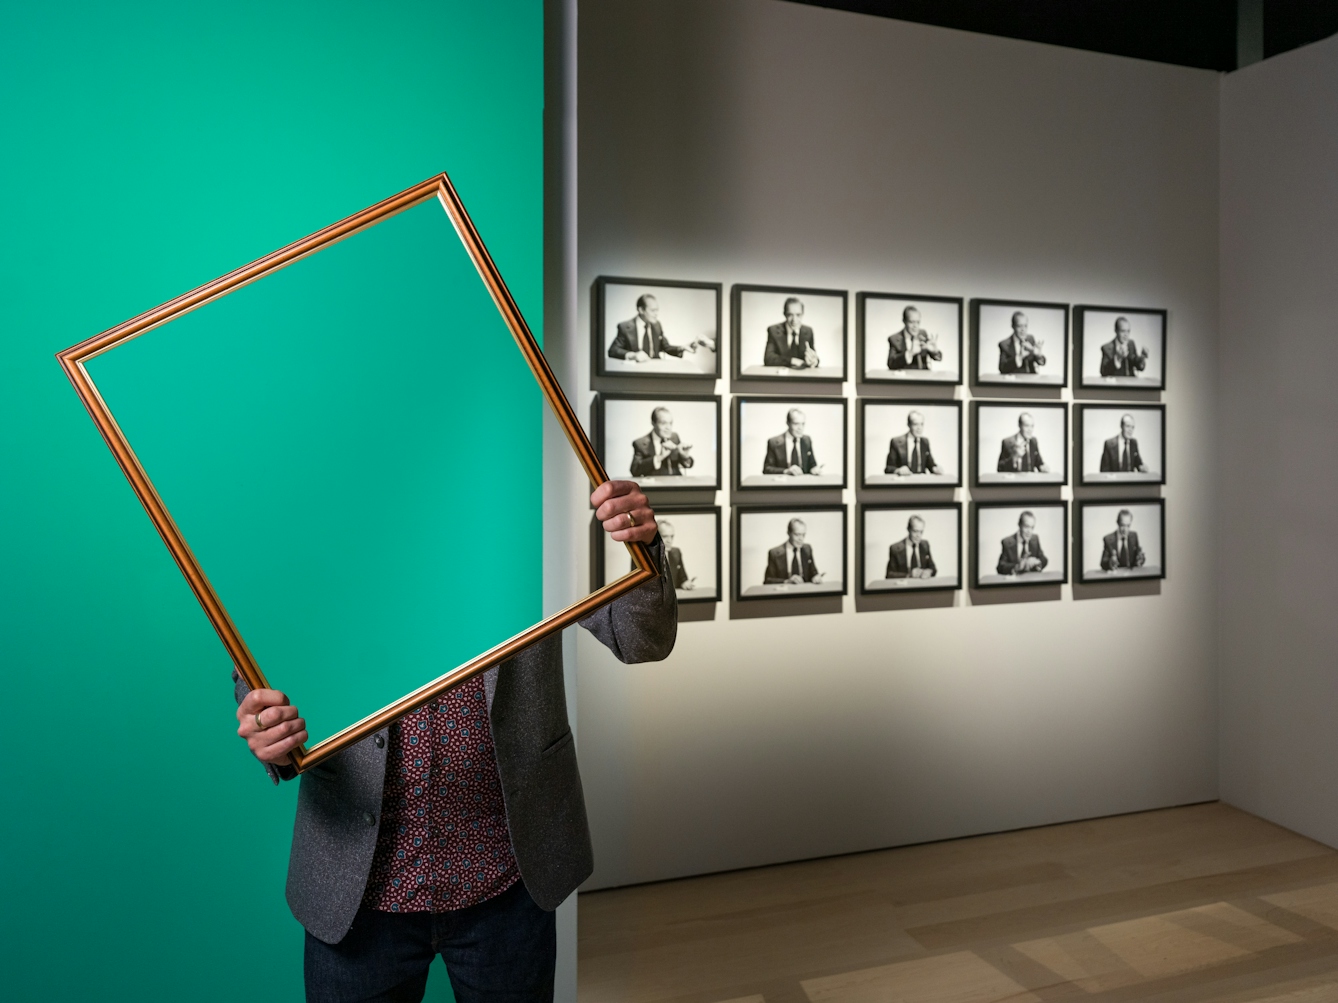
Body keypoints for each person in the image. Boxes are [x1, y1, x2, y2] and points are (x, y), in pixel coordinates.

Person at [234, 480, 675, 1003]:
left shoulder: (527, 498)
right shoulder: (318, 513)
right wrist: (268, 726)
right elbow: (266, 648)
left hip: (509, 881)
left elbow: (642, 640)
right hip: (356, 890)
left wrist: (641, 547)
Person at [607, 294, 707, 362]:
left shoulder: (657, 325)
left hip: (655, 369)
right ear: (641, 310)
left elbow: (666, 347)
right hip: (635, 372)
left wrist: (682, 348)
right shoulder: (625, 327)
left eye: (657, 310)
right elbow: (613, 350)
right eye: (653, 310)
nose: (656, 314)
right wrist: (633, 355)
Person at [630, 407, 694, 477]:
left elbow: (687, 465)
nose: (668, 427)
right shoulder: (640, 443)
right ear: (653, 423)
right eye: (664, 423)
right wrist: (659, 457)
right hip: (654, 486)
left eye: (670, 423)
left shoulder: (674, 437)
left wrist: (685, 457)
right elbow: (634, 470)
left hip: (675, 485)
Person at [763, 408, 824, 476]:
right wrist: (786, 471)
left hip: (803, 483)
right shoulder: (773, 442)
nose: (800, 428)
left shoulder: (807, 440)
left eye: (803, 424)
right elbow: (766, 469)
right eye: (796, 424)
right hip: (783, 484)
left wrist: (814, 469)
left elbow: (812, 464)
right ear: (788, 423)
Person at [764, 297, 820, 369]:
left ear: (803, 314)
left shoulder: (808, 331)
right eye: (790, 315)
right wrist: (792, 360)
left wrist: (814, 361)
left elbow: (813, 354)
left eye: (798, 315)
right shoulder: (773, 330)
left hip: (801, 376)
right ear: (784, 314)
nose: (794, 319)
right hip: (781, 377)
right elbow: (768, 358)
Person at [764, 517, 824, 584]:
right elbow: (768, 580)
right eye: (797, 534)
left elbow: (813, 572)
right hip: (785, 592)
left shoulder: (807, 549)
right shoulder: (774, 553)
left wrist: (816, 577)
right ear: (788, 533)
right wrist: (787, 581)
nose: (801, 539)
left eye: (803, 535)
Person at [885, 409, 942, 476]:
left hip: (922, 482)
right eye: (915, 424)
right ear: (909, 425)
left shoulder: (925, 442)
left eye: (921, 424)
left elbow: (930, 464)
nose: (919, 428)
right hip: (904, 482)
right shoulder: (896, 442)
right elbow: (888, 468)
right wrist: (898, 470)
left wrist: (935, 468)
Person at [886, 306, 942, 370]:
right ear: (904, 321)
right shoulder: (894, 339)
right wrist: (910, 353)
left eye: (918, 322)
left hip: (923, 378)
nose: (915, 326)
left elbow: (938, 358)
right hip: (905, 378)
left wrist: (935, 352)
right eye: (912, 322)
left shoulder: (923, 334)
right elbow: (890, 363)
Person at [997, 510, 1048, 575]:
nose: (1029, 531)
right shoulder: (1007, 542)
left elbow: (1044, 559)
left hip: (1032, 581)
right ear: (1019, 525)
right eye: (1026, 527)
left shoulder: (1035, 539)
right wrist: (1017, 567)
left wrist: (1037, 562)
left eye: (1032, 527)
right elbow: (1000, 567)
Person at [659, 519, 694, 591]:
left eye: (672, 536)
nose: (669, 541)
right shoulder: (642, 556)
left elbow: (682, 579)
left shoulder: (676, 553)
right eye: (665, 536)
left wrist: (684, 583)